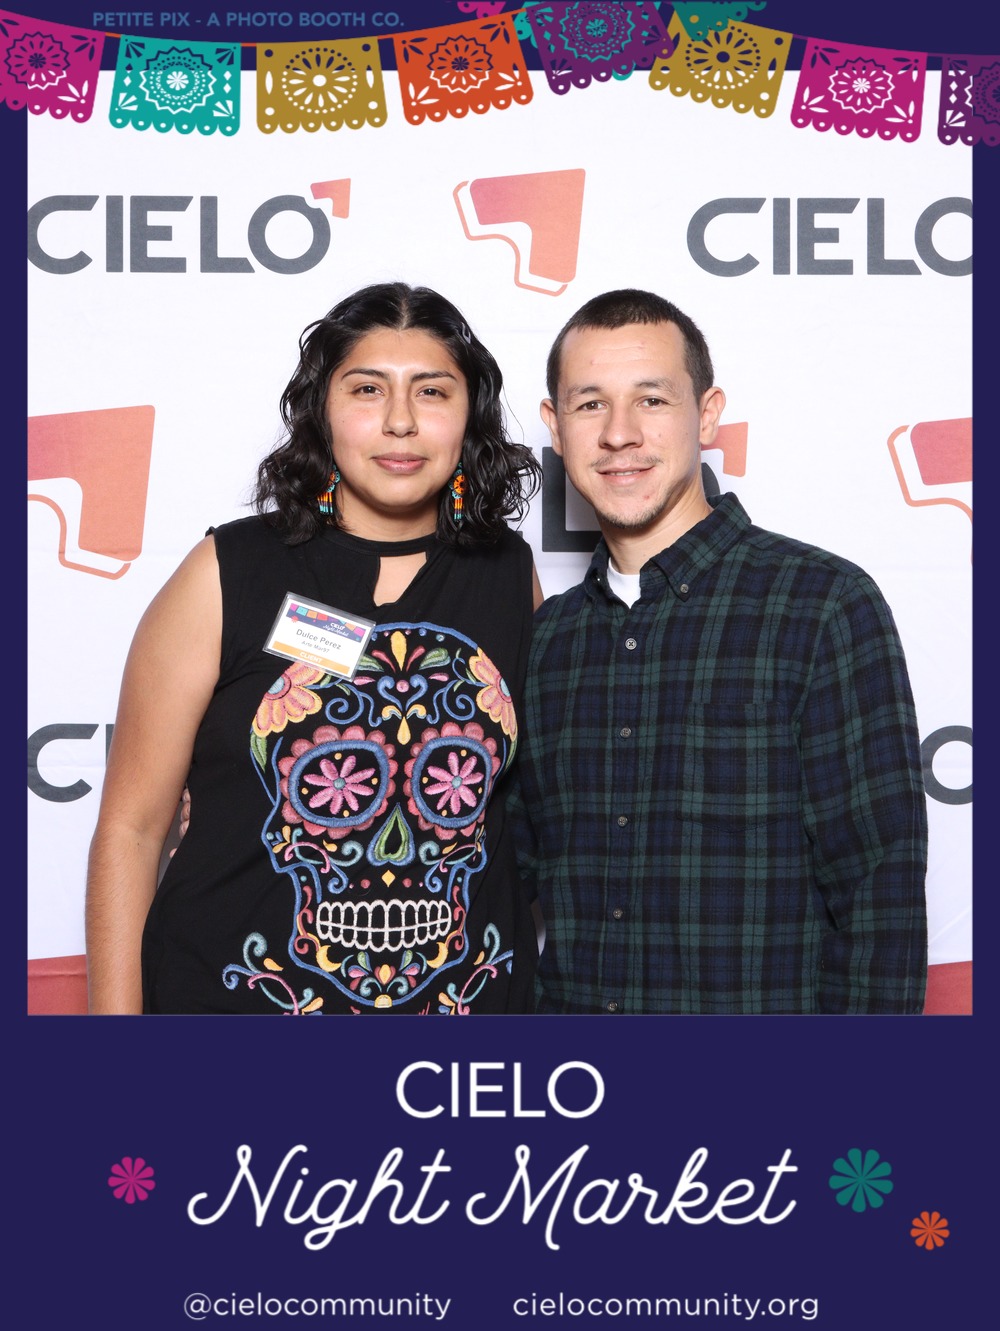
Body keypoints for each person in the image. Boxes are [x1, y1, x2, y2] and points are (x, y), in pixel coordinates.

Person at [85, 281, 543, 1015]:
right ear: (322, 411)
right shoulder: (227, 572)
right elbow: (132, 830)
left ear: (470, 417)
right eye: (367, 389)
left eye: (432, 392)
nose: (400, 421)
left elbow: (525, 810)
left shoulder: (510, 578)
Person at [513, 288, 928, 1015]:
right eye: (590, 404)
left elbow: (879, 893)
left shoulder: (821, 604)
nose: (619, 434)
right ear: (555, 426)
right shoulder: (547, 639)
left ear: (707, 415)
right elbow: (502, 875)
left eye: (651, 400)